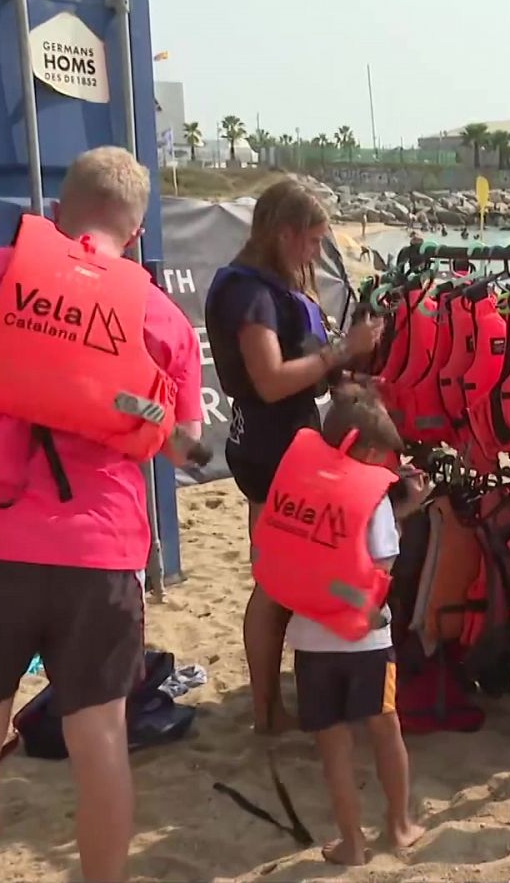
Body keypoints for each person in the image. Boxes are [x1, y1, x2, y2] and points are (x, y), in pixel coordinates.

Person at [0, 147, 204, 882]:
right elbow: (188, 447)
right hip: (98, 558)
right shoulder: (160, 317)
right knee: (99, 743)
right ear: (135, 237)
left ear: (56, 215)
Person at [204, 178, 383, 734]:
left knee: (281, 574)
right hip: (270, 449)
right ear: (284, 235)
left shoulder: (270, 286)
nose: (314, 254)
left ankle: (276, 701)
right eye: (311, 243)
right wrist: (342, 349)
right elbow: (272, 380)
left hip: (278, 444)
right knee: (274, 581)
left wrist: (347, 371)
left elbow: (300, 366)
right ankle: (266, 711)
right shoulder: (250, 293)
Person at [257, 385, 427, 865]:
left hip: (310, 641)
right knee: (385, 730)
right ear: (369, 452)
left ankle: (352, 844)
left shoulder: (298, 479)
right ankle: (398, 825)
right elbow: (381, 564)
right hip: (367, 641)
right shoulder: (371, 499)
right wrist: (404, 512)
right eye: (387, 459)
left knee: (333, 748)